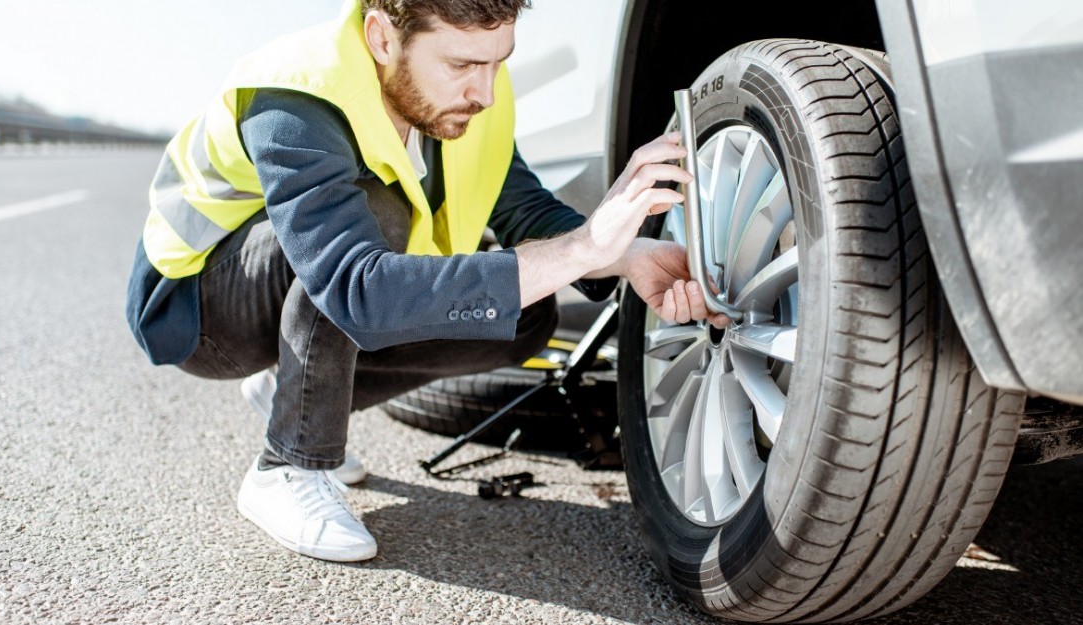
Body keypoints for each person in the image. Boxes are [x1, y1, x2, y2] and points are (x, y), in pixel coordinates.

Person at [126, 0, 729, 563]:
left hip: (309, 287)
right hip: (200, 308)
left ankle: (289, 388)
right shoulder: (296, 94)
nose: (486, 92)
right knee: (379, 218)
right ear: (382, 38)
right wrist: (583, 247)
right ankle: (289, 466)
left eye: (499, 62)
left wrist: (627, 253)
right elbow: (354, 288)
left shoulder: (468, 100)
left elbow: (527, 213)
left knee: (528, 309)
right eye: (463, 64)